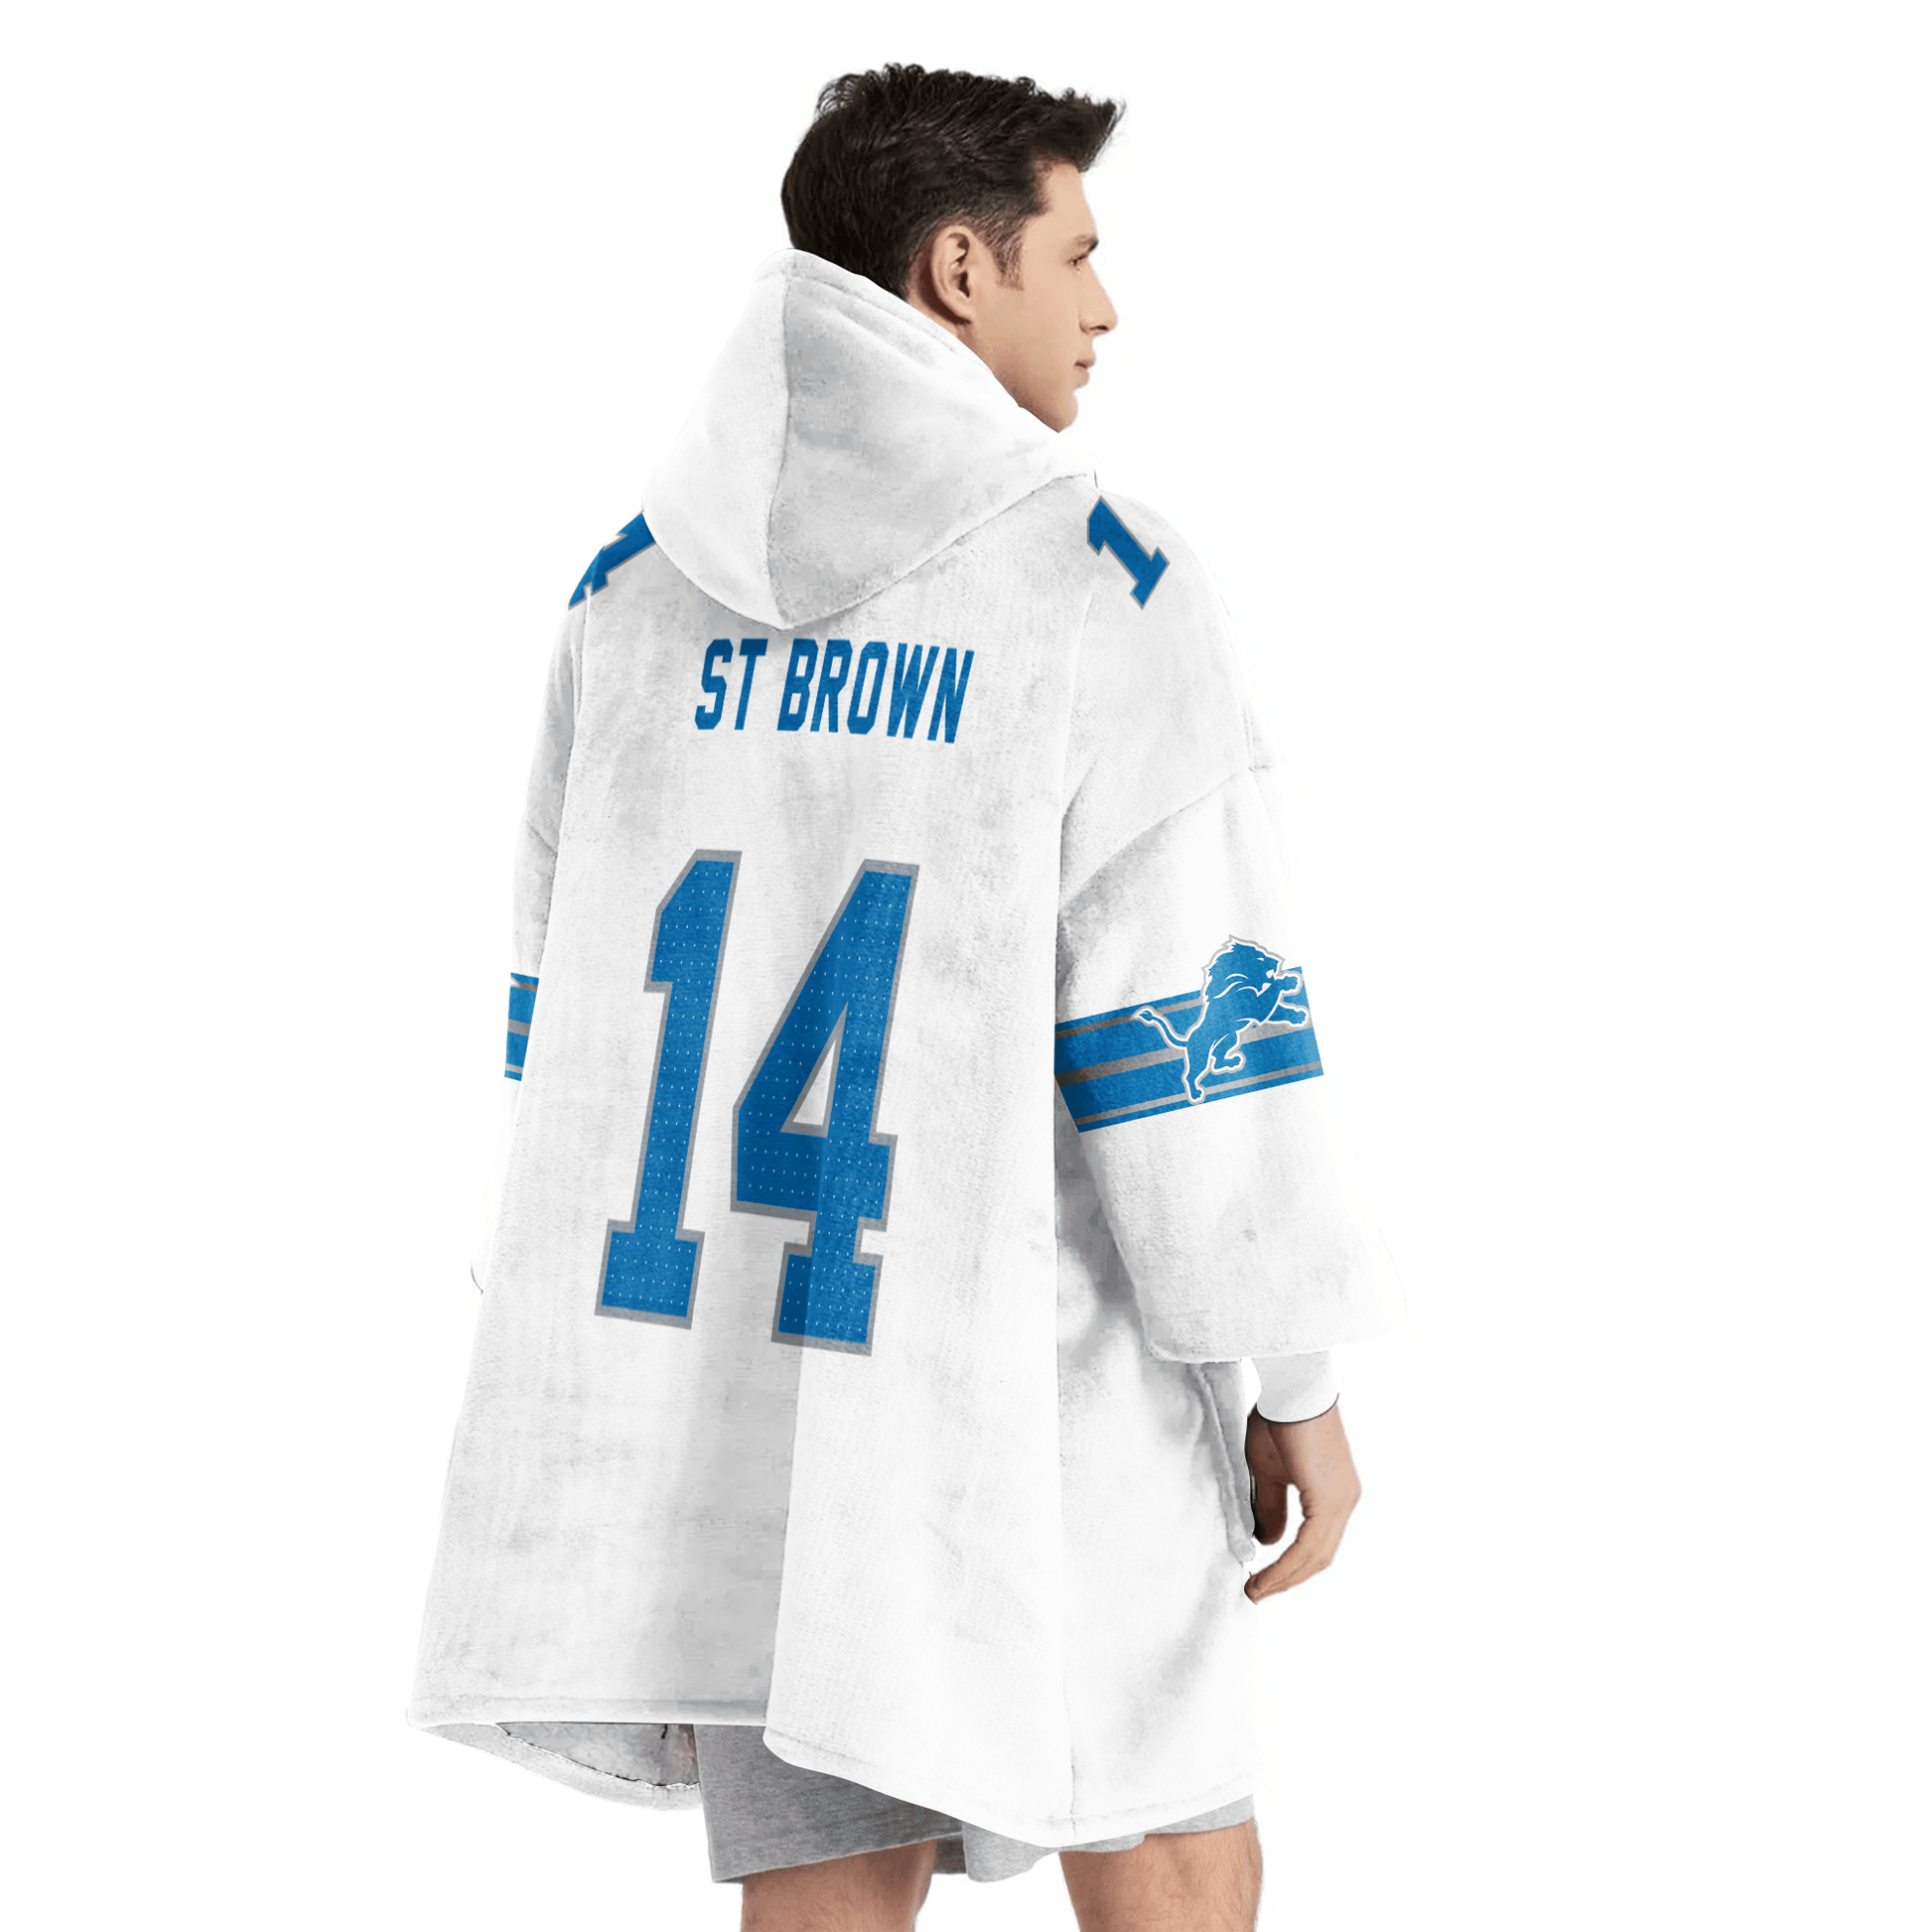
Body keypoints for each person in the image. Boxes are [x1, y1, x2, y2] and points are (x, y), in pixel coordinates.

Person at [406, 63, 1403, 1932]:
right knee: (1173, 1851)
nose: (1106, 305)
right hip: (1042, 1372)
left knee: (827, 1885)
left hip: (757, 1384)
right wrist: (1298, 1377)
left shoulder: (631, 597)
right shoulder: (1099, 584)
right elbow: (1192, 1045)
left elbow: (561, 1046)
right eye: (1074, 253)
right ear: (959, 267)